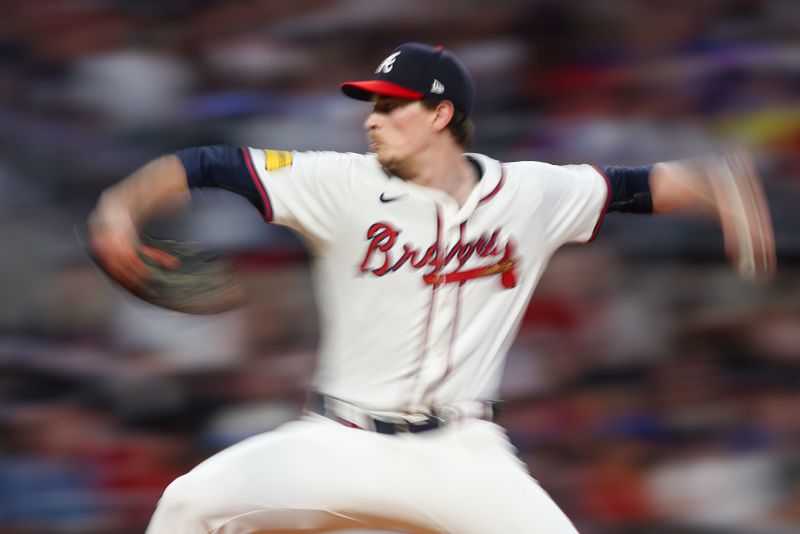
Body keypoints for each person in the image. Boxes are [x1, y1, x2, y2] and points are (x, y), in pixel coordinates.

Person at [88, 42, 775, 533]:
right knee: (186, 506)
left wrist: (716, 183)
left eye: (391, 106)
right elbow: (207, 163)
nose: (371, 118)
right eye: (371, 104)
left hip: (463, 453)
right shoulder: (339, 183)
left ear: (441, 115)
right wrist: (121, 208)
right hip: (340, 441)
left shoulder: (531, 191)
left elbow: (638, 187)